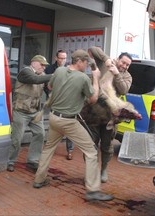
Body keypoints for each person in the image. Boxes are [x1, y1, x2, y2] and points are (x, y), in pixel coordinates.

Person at [33, 49, 113, 201]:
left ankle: (39, 180)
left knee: (48, 148)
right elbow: (93, 99)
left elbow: (50, 87)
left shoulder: (59, 71)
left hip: (54, 117)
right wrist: (95, 79)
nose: (87, 66)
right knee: (91, 151)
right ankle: (93, 190)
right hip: (68, 121)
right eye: (86, 63)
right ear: (80, 61)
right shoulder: (83, 78)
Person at [82, 46, 133, 183]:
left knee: (106, 146)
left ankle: (103, 169)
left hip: (109, 118)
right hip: (92, 113)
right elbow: (92, 49)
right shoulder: (105, 63)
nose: (124, 66)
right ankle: (90, 172)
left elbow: (123, 90)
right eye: (123, 62)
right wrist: (106, 59)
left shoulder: (126, 76)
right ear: (118, 59)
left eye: (127, 65)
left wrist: (117, 74)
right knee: (89, 145)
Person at [7, 55, 52, 172]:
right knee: (17, 138)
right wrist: (54, 75)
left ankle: (33, 161)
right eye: (41, 64)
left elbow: (48, 89)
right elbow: (34, 80)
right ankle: (10, 161)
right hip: (21, 111)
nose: (43, 67)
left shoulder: (42, 76)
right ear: (33, 63)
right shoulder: (25, 72)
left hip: (35, 112)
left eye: (45, 65)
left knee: (40, 134)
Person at [45, 49, 74, 160]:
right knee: (53, 125)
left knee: (70, 124)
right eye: (61, 58)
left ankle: (70, 150)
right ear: (56, 58)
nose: (63, 60)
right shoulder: (49, 69)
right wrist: (50, 95)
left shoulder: (70, 69)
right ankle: (50, 148)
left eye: (65, 58)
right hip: (55, 101)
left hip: (68, 102)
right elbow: (45, 85)